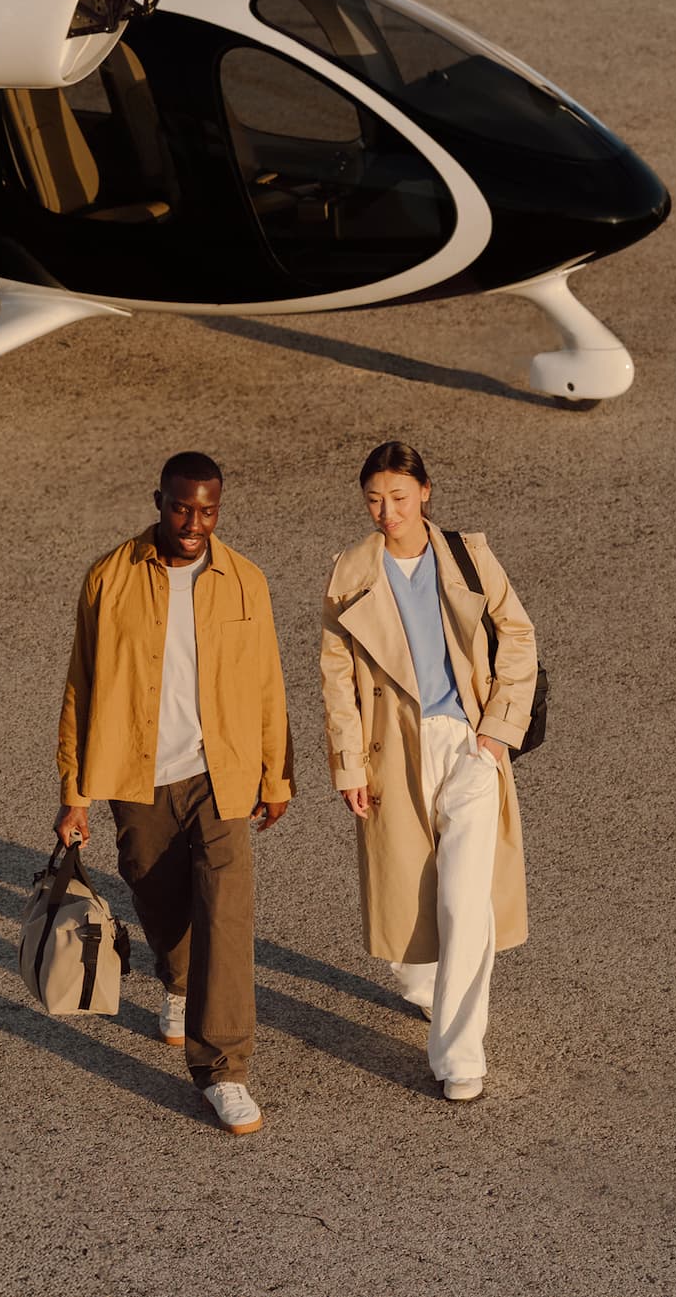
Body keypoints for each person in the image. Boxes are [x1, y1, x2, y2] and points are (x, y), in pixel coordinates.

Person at [54, 451, 293, 1135]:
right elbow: (81, 686)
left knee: (227, 910)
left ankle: (224, 1068)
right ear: (159, 499)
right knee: (155, 894)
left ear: (220, 508)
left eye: (207, 509)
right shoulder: (109, 578)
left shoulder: (246, 580)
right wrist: (75, 792)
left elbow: (269, 683)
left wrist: (276, 775)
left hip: (222, 775)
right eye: (182, 507)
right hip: (138, 775)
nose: (194, 522)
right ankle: (179, 981)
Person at [318, 441, 535, 1102]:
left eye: (400, 498)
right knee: (408, 896)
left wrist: (496, 735)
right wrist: (349, 764)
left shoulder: (468, 556)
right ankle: (422, 982)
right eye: (375, 500)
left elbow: (518, 634)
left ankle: (459, 1055)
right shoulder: (350, 572)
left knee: (465, 901)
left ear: (426, 493)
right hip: (391, 750)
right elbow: (336, 679)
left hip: (469, 745)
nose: (388, 512)